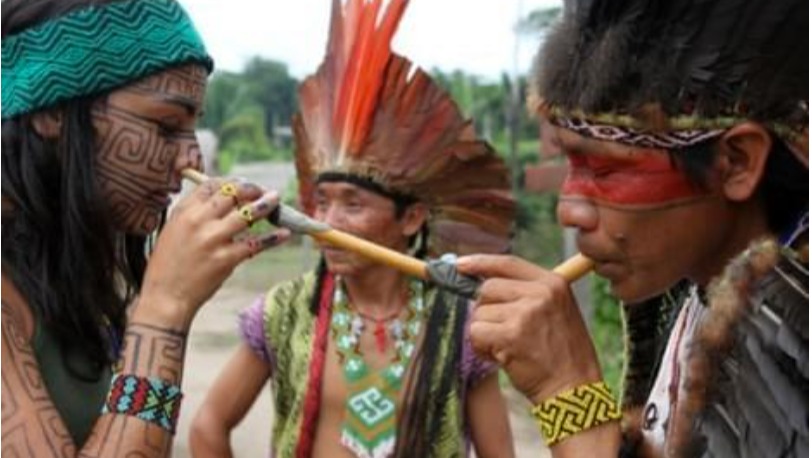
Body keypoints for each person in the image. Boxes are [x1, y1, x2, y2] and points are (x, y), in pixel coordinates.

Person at [456, 0, 808, 456]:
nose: (569, 211)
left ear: (736, 162)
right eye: (570, 163)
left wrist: (567, 391)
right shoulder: (689, 289)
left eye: (606, 170)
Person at [189, 1, 517, 457]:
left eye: (353, 204)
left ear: (411, 218)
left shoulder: (460, 327)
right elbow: (207, 427)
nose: (327, 223)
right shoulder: (285, 312)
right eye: (321, 202)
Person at [1, 0, 287, 456]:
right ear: (52, 111)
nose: (192, 161)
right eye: (166, 126)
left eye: (192, 129)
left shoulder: (62, 271)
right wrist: (163, 311)